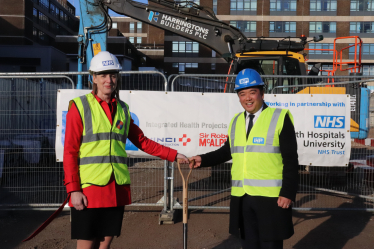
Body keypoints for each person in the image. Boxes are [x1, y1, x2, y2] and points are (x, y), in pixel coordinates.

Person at [63, 51, 189, 249]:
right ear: (93, 78)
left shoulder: (122, 109)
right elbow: (69, 152)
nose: (109, 80)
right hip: (90, 190)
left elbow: (142, 141)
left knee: (104, 245)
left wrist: (173, 155)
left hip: (116, 189)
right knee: (87, 245)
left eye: (112, 75)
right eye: (103, 75)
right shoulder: (79, 107)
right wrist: (74, 189)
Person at [189, 69, 299, 249]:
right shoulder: (236, 121)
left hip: (271, 198)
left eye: (252, 92)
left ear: (262, 93)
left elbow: (291, 159)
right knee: (248, 245)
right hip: (243, 197)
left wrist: (288, 192)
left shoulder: (280, 117)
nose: (247, 98)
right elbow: (227, 151)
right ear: (238, 97)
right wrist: (203, 159)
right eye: (242, 94)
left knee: (270, 246)